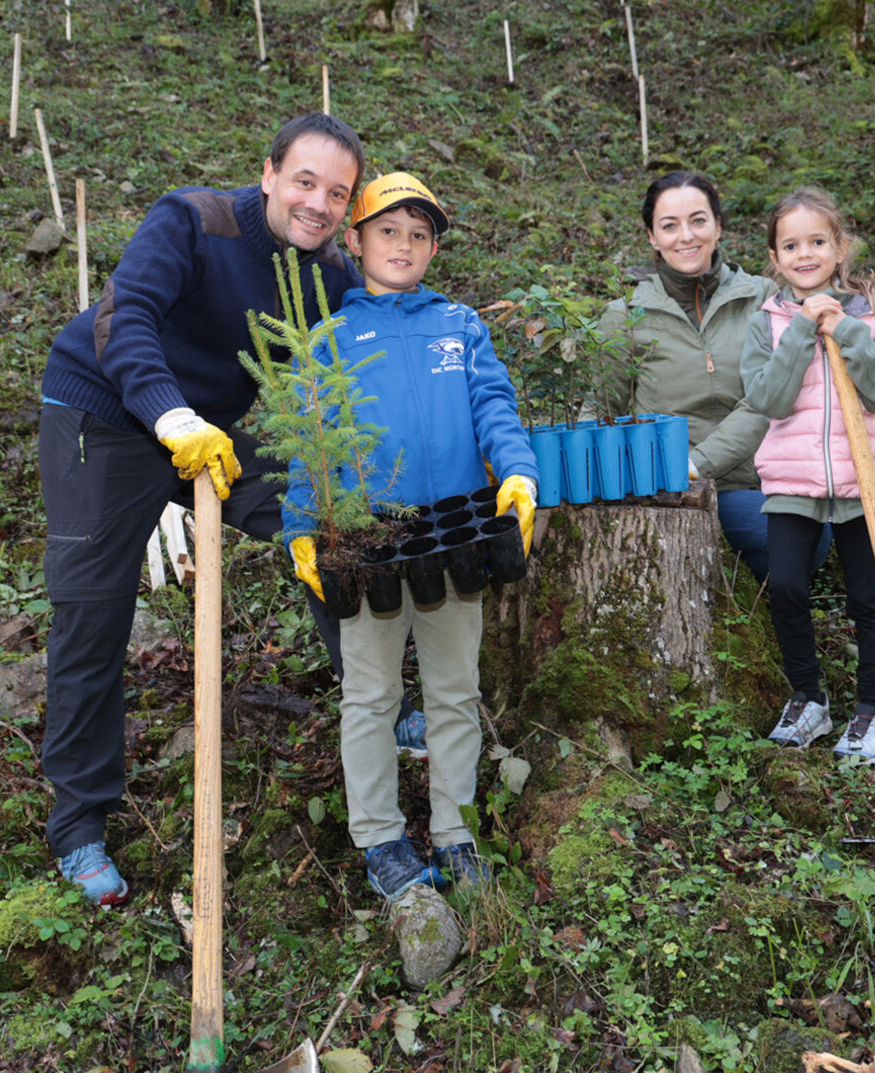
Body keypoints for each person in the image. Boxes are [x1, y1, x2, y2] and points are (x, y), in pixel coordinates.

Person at [36, 114, 419, 908]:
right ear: (269, 173)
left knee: (332, 525)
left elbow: (370, 359)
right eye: (304, 182)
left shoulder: (329, 277)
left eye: (337, 193)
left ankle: (381, 701)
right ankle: (78, 823)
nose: (317, 204)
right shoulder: (192, 220)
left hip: (214, 430)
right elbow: (124, 318)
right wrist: (169, 415)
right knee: (92, 609)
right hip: (104, 413)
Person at [282, 173, 539, 899]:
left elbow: (493, 405)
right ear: (355, 240)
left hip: (457, 534)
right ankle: (380, 839)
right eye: (387, 231)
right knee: (370, 695)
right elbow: (309, 448)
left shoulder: (459, 326)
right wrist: (302, 529)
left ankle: (456, 833)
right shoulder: (329, 341)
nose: (403, 245)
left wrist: (517, 474)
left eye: (419, 234)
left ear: (434, 248)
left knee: (454, 690)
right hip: (366, 544)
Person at [590, 172, 875, 593]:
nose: (686, 236)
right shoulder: (626, 316)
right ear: (652, 237)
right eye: (669, 225)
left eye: (698, 220)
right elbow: (601, 406)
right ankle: (753, 596)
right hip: (697, 486)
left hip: (779, 467)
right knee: (805, 544)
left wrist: (873, 312)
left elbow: (767, 399)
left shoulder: (764, 298)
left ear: (718, 226)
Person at [739, 187, 875, 764]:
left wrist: (847, 331)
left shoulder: (874, 315)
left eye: (817, 241)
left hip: (864, 479)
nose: (805, 254)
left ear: (840, 248)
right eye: (791, 245)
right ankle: (808, 698)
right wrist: (799, 330)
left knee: (870, 595)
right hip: (793, 480)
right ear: (775, 258)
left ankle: (873, 711)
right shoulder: (765, 322)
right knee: (788, 585)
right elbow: (768, 399)